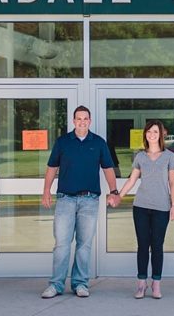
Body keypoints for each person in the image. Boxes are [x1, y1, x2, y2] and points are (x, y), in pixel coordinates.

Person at [40, 105, 119, 299]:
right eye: (78, 118)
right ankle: (56, 284)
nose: (82, 121)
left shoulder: (99, 143)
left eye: (85, 118)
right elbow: (52, 167)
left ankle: (80, 284)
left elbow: (108, 169)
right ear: (73, 121)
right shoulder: (63, 142)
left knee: (84, 245)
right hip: (66, 199)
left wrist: (114, 191)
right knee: (62, 244)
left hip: (90, 201)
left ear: (89, 121)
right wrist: (46, 191)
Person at [114, 119, 174, 299]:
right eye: (149, 132)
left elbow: (172, 182)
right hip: (141, 207)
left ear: (161, 135)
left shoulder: (169, 156)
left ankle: (156, 284)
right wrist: (119, 195)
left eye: (155, 132)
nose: (152, 135)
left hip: (162, 208)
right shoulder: (140, 156)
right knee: (143, 245)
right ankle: (141, 284)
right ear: (145, 134)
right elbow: (132, 180)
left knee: (157, 246)